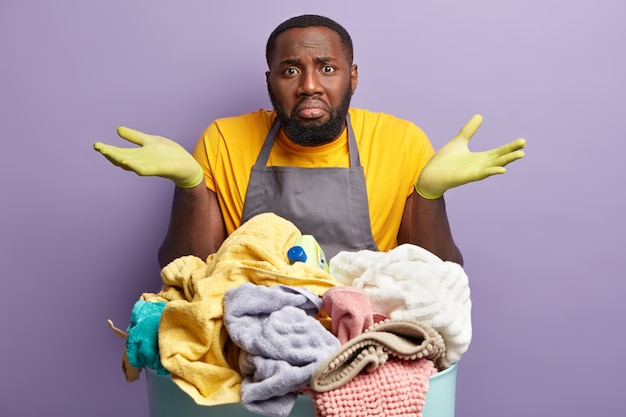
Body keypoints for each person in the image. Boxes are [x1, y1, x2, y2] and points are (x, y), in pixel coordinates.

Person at [94, 14, 525, 269]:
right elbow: (185, 276)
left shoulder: (400, 141)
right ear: (270, 81)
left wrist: (431, 195)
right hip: (254, 335)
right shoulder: (225, 139)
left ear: (353, 77)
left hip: (364, 332)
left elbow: (440, 279)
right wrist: (188, 186)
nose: (309, 86)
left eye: (327, 68)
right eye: (290, 71)